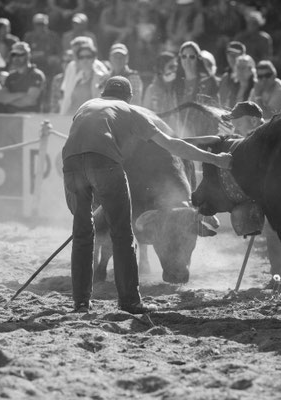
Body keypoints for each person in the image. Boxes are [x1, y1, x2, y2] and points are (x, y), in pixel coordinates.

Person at [61, 76, 232, 314]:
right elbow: (172, 145)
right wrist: (215, 159)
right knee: (122, 235)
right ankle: (130, 301)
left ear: (103, 94)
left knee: (81, 233)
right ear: (129, 98)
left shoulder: (85, 107)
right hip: (105, 164)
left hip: (70, 164)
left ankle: (80, 302)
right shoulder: (132, 112)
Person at [222, 101, 281, 290]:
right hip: (272, 193)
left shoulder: (270, 134)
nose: (234, 127)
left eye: (238, 122)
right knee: (273, 234)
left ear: (253, 120)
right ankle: (278, 277)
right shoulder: (256, 137)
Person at [59, 38, 109, 115]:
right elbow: (66, 94)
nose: (75, 56)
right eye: (75, 53)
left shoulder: (99, 70)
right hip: (69, 115)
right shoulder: (70, 66)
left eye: (87, 56)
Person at [0, 42, 45, 113]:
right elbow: (1, 98)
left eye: (20, 54)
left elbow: (30, 100)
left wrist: (8, 101)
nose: (16, 57)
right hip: (11, 117)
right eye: (14, 55)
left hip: (30, 117)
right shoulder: (11, 76)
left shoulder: (36, 75)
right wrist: (21, 94)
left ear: (28, 56)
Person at [173, 41, 219, 106]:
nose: (187, 60)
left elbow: (215, 108)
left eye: (191, 57)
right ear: (180, 59)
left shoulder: (208, 82)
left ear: (198, 59)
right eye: (184, 56)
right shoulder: (175, 82)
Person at [218, 41, 246, 109]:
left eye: (236, 54)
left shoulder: (248, 77)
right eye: (230, 54)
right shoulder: (225, 77)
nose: (232, 57)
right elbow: (220, 101)